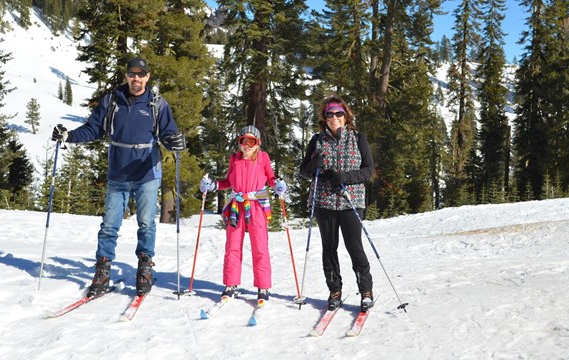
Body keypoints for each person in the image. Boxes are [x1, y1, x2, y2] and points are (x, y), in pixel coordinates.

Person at [51, 57, 186, 297]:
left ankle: (144, 269)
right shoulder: (112, 100)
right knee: (109, 225)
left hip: (147, 172)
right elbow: (93, 128)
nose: (136, 78)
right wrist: (68, 136)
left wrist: (175, 142)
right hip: (119, 172)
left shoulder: (157, 103)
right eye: (132, 74)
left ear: (147, 76)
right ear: (127, 76)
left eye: (141, 74)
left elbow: (168, 133)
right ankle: (102, 271)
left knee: (146, 224)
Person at [299, 95, 375, 311]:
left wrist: (346, 177)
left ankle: (366, 291)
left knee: (354, 246)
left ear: (345, 116)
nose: (334, 117)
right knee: (329, 247)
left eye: (338, 113)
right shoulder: (317, 140)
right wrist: (314, 163)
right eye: (330, 113)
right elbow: (303, 172)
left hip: (351, 200)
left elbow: (369, 170)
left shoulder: (357, 138)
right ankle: (334, 290)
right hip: (324, 201)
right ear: (324, 116)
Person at [199, 125, 288, 302]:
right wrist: (213, 185)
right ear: (239, 142)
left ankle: (263, 286)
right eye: (243, 141)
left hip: (256, 206)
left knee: (260, 246)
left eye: (251, 141)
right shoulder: (235, 159)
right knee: (232, 246)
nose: (247, 145)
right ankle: (230, 284)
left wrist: (277, 185)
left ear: (258, 143)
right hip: (236, 206)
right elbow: (228, 182)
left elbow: (270, 178)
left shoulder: (262, 158)